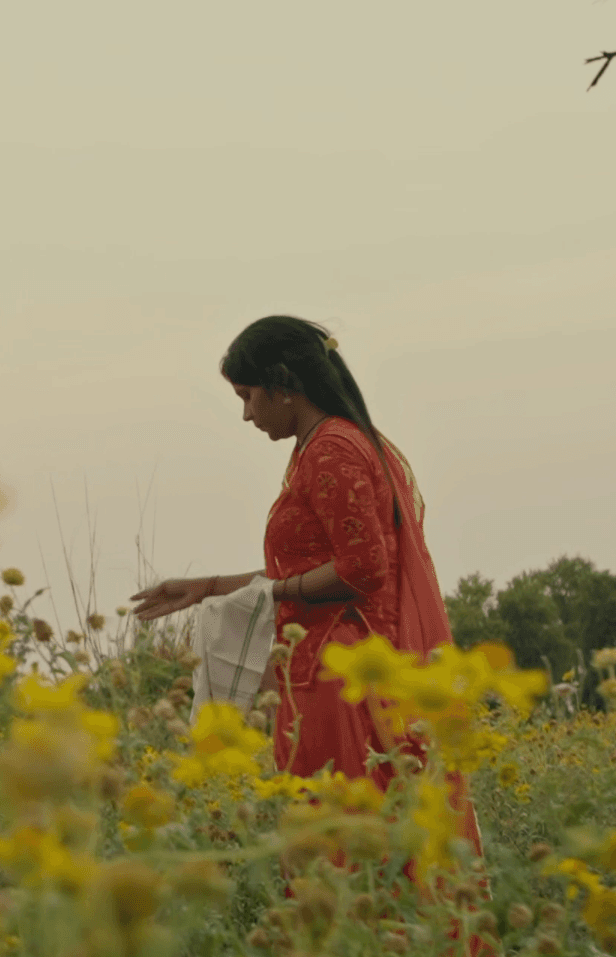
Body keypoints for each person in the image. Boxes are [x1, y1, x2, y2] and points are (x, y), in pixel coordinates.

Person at [131, 316, 480, 849]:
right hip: (333, 664)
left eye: (249, 396)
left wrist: (268, 594)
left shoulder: (331, 451)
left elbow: (363, 569)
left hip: (337, 670)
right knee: (353, 837)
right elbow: (317, 565)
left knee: (339, 842)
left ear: (285, 385)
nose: (246, 414)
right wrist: (207, 587)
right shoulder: (330, 444)